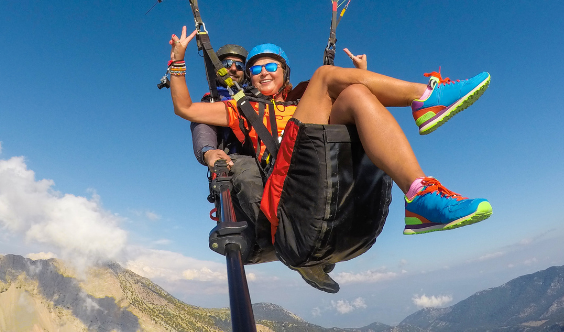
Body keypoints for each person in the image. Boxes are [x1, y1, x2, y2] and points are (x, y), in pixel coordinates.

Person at [167, 28, 492, 292]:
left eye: (271, 66)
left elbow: (347, 97)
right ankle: (424, 97)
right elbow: (186, 109)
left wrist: (361, 77)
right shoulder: (241, 109)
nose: (263, 73)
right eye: (256, 68)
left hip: (317, 170)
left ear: (285, 73)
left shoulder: (302, 101)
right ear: (249, 78)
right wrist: (178, 63)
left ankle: (421, 194)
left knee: (355, 94)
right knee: (325, 76)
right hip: (285, 184)